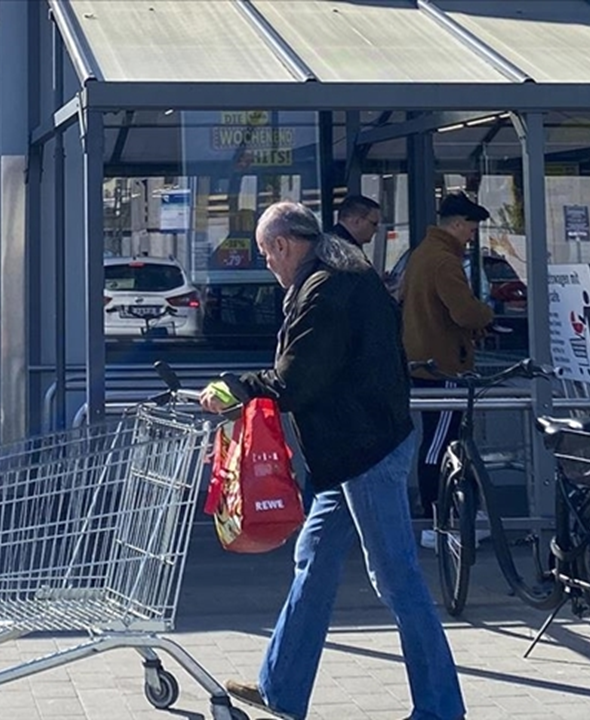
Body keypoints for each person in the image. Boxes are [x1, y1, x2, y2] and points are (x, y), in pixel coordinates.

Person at [200, 201, 465, 720]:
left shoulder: (326, 290)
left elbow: (297, 379)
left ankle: (440, 708)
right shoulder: (339, 271)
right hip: (350, 452)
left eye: (265, 254)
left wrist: (236, 388)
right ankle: (281, 689)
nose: (268, 266)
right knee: (314, 564)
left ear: (281, 244)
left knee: (396, 578)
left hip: (365, 451)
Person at [401, 192, 494, 533]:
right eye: (470, 229)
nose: (471, 236)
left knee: (438, 439)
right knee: (440, 442)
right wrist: (487, 314)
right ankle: (434, 515)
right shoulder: (444, 261)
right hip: (445, 365)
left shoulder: (422, 254)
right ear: (456, 225)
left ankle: (442, 511)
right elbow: (465, 311)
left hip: (425, 360)